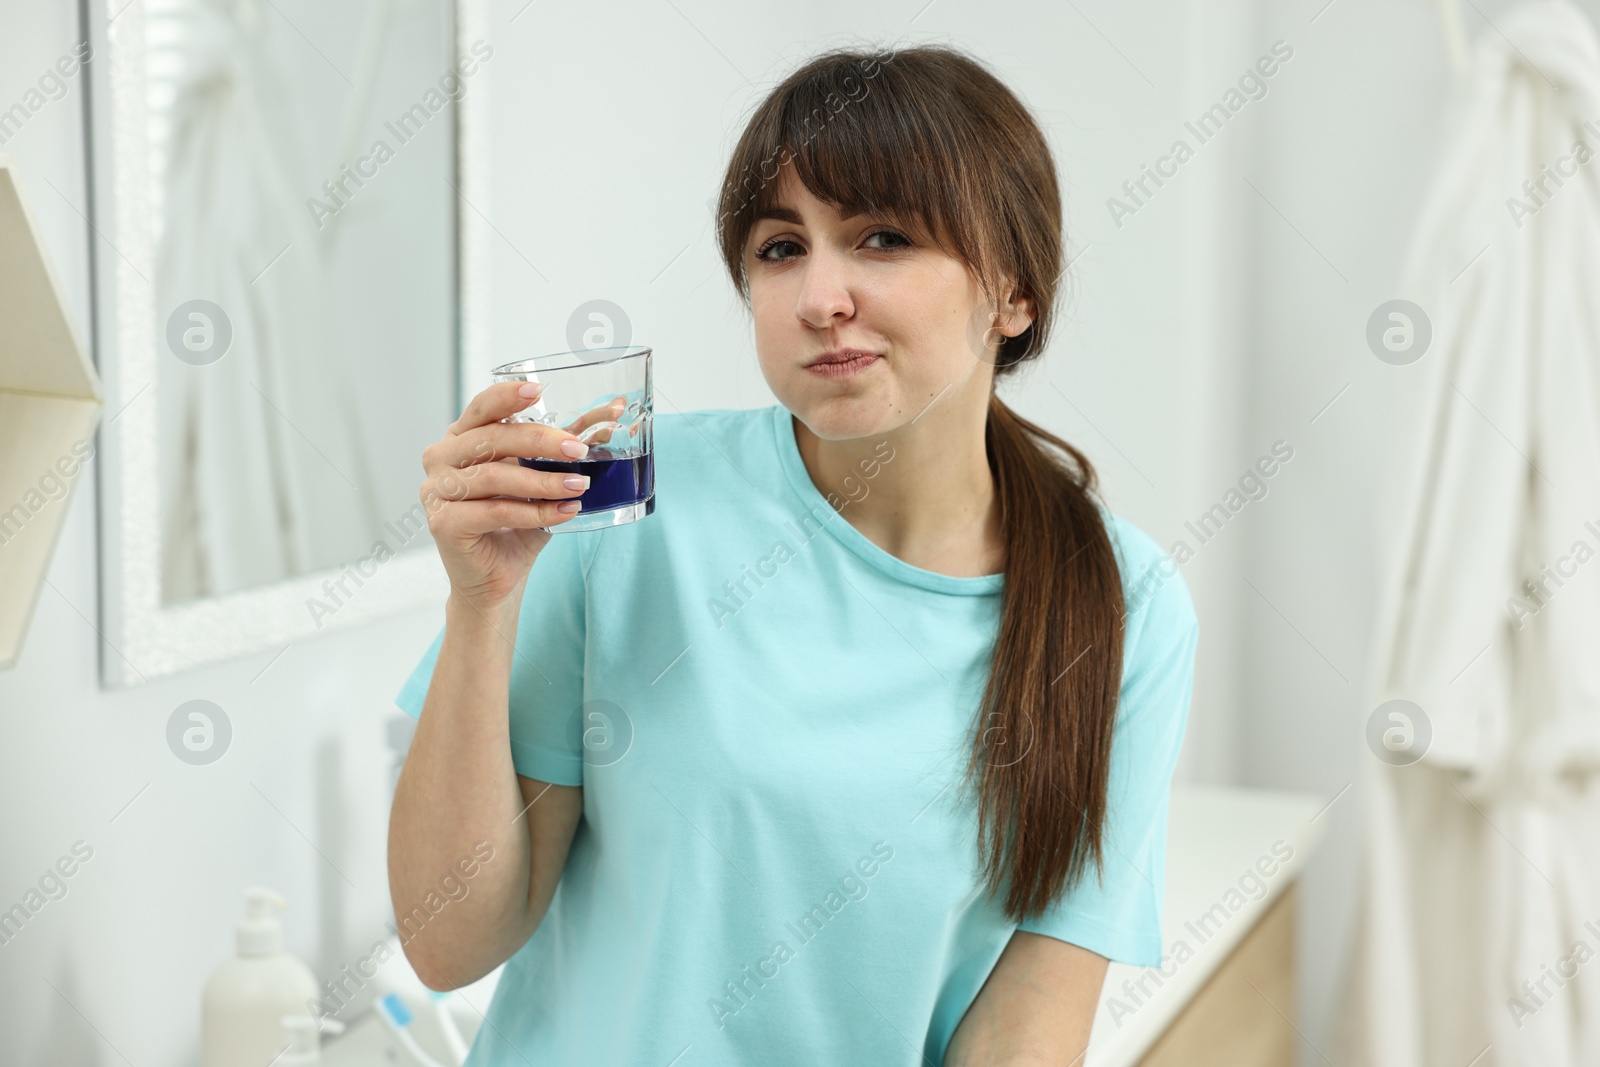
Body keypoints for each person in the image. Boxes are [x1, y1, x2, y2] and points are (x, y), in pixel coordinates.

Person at [387, 42, 1199, 1067]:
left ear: (1012, 292)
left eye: (882, 238)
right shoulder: (633, 505)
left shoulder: (1123, 605)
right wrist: (483, 603)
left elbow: (1027, 1026)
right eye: (780, 248)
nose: (821, 296)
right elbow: (448, 940)